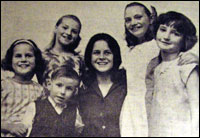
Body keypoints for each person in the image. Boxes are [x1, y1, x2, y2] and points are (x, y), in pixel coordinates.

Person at [120, 2, 199, 137]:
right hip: (134, 109)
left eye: (138, 17)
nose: (133, 22)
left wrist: (195, 57)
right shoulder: (131, 51)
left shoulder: (160, 45)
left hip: (159, 108)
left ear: (151, 19)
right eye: (128, 20)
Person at [145, 11, 199, 137]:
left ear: (185, 40)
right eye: (163, 30)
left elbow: (197, 108)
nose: (166, 37)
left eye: (175, 33)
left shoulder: (187, 67)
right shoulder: (155, 67)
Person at [79, 33, 127, 137]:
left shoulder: (126, 87)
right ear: (89, 56)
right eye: (96, 53)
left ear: (115, 56)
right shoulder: (81, 89)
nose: (101, 57)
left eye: (107, 53)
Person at [23, 64, 83, 137]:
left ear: (74, 92)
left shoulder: (74, 111)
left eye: (69, 88)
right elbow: (25, 132)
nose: (63, 92)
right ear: (49, 84)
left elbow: (79, 131)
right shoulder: (35, 107)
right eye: (59, 85)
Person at [1, 39, 45, 137]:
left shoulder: (40, 90)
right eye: (18, 56)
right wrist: (10, 126)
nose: (23, 59)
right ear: (10, 60)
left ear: (36, 60)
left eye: (28, 56)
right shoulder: (4, 85)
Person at [37, 14, 84, 86]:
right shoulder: (42, 57)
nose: (68, 33)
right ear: (56, 28)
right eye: (65, 28)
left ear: (77, 36)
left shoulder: (80, 60)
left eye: (74, 31)